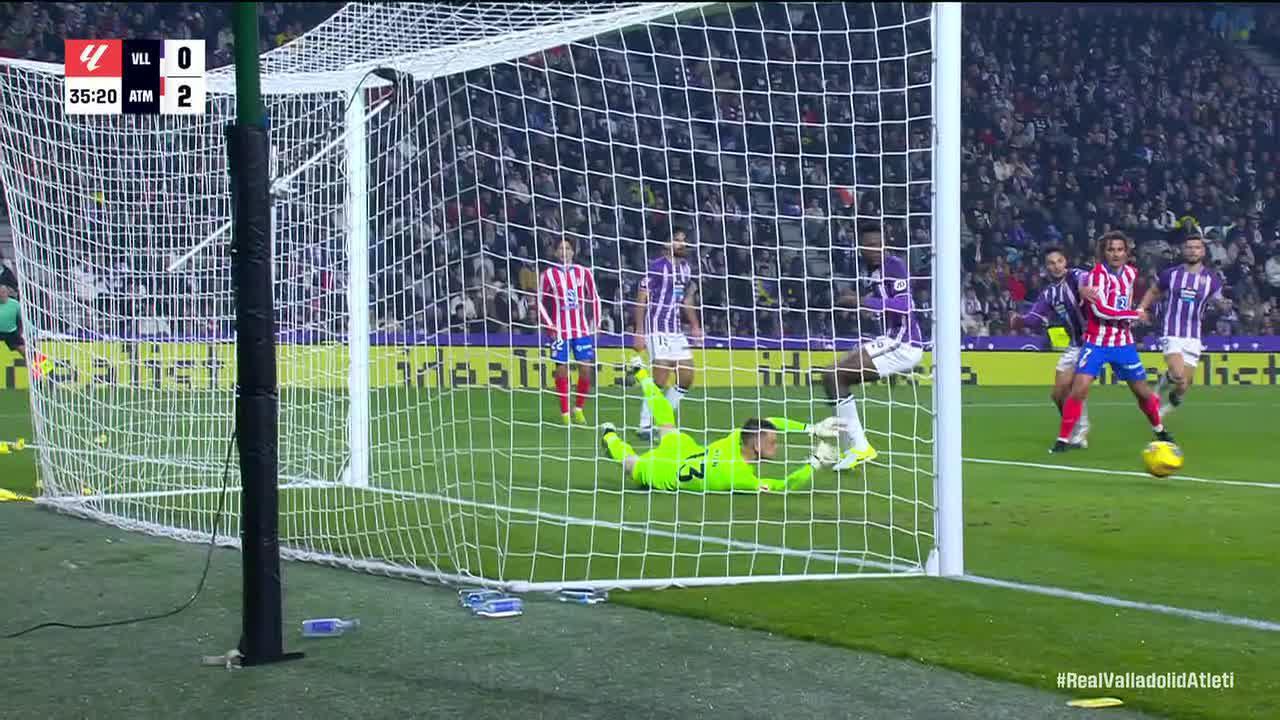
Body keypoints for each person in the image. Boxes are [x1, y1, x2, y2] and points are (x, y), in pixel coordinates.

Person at [600, 358, 841, 492]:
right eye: (771, 442)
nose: (776, 446)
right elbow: (784, 486)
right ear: (756, 444)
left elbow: (769, 424)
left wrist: (811, 428)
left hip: (687, 452)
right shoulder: (739, 477)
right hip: (666, 471)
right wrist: (814, 463)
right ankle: (609, 436)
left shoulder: (737, 436)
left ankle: (641, 374)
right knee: (631, 465)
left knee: (666, 424)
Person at [1053, 231, 1173, 453]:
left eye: (1120, 249)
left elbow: (1134, 299)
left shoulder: (1131, 273)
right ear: (1103, 253)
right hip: (1096, 342)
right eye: (1111, 250)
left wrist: (1139, 310)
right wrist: (1133, 315)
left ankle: (1160, 429)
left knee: (1143, 393)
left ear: (1127, 252)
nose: (1116, 254)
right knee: (1079, 389)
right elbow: (1100, 310)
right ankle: (1062, 440)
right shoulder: (1096, 276)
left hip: (1123, 343)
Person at [819, 222, 924, 471]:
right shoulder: (872, 272)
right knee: (833, 377)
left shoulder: (894, 266)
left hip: (903, 343)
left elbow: (905, 306)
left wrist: (859, 301)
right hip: (891, 339)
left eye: (879, 244)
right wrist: (861, 304)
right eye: (870, 245)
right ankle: (855, 448)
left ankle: (859, 448)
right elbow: (882, 304)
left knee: (834, 375)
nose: (875, 249)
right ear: (861, 247)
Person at [1009, 247, 1092, 447]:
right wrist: (1020, 321)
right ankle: (1078, 427)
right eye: (1051, 263)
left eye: (1059, 261)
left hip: (1095, 342)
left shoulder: (1078, 276)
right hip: (1074, 344)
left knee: (1076, 389)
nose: (1056, 266)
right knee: (1057, 394)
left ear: (1066, 262)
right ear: (1046, 268)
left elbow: (1089, 281)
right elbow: (1035, 319)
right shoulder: (1049, 294)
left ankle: (1078, 430)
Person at [1136, 233, 1225, 413]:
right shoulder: (1171, 274)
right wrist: (1142, 308)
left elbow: (1219, 300)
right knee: (1178, 375)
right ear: (1184, 250)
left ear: (1203, 251)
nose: (1193, 251)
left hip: (1194, 336)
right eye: (1189, 247)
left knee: (1182, 385)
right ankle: (1157, 413)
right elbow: (1154, 291)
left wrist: (1223, 305)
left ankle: (1171, 391)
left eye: (1197, 248)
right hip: (1172, 332)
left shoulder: (1212, 279)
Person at [632, 228, 702, 439]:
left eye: (683, 241)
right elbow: (641, 298)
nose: (681, 244)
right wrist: (639, 331)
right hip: (656, 327)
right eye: (676, 240)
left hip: (676, 330)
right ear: (666, 244)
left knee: (687, 376)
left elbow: (686, 300)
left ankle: (663, 419)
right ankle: (644, 426)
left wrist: (695, 326)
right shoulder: (656, 268)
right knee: (661, 377)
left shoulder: (686, 269)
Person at [538, 237, 601, 425]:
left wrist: (595, 323)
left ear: (573, 251)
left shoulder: (584, 272)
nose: (564, 252)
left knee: (586, 369)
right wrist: (549, 325)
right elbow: (539, 301)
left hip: (580, 330)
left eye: (568, 248)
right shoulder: (548, 275)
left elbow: (595, 298)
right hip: (559, 331)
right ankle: (565, 413)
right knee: (562, 371)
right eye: (560, 248)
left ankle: (579, 408)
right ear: (556, 253)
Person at [0, 284, 24, 358]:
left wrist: (21, 332)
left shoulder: (15, 304)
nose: (1, 294)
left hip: (11, 332)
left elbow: (23, 319)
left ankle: (47, 369)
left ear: (7, 293)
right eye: (0, 293)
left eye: (3, 292)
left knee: (26, 351)